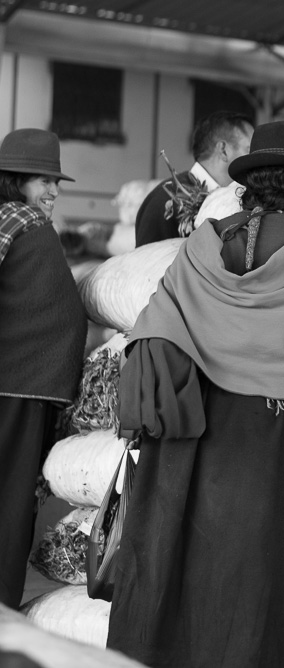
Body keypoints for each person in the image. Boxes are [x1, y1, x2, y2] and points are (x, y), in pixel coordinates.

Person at [105, 121, 284, 667]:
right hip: (266, 434)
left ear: (249, 182)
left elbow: (155, 324)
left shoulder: (204, 241)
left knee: (171, 552)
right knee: (255, 567)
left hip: (190, 426)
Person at [0, 128, 86, 608]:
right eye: (41, 179)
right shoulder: (22, 218)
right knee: (11, 502)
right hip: (16, 387)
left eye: (56, 182)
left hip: (19, 385)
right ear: (14, 181)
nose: (52, 191)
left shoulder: (17, 219)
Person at [134, 110, 254, 247]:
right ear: (223, 150)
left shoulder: (238, 200)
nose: (254, 159)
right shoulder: (166, 201)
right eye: (249, 149)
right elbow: (148, 263)